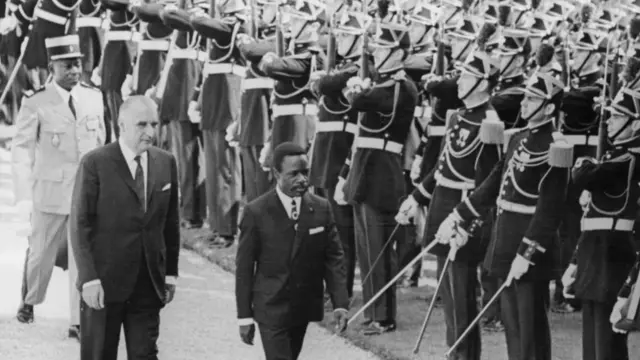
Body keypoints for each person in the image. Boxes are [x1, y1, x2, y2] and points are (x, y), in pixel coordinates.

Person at [439, 73, 573, 360]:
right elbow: (492, 184)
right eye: (525, 97)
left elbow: (549, 211)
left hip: (527, 249)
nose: (524, 104)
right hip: (504, 244)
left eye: (532, 99)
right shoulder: (519, 138)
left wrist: (527, 253)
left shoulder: (556, 147)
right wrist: (458, 215)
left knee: (530, 329)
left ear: (549, 108)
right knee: (513, 325)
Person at [397, 50, 504, 359]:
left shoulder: (490, 122)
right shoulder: (456, 116)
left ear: (483, 84)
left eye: (466, 77)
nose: (458, 83)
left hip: (463, 216)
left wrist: (467, 221)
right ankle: (454, 353)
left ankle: (465, 355)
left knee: (462, 296)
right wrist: (416, 197)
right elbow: (443, 167)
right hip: (443, 207)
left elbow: (489, 184)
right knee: (448, 293)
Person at [69, 95, 180, 360]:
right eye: (142, 125)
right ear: (121, 125)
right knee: (99, 354)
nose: (150, 132)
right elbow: (79, 224)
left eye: (154, 124)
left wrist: (171, 274)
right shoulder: (95, 163)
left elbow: (170, 223)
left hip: (147, 285)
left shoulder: (166, 162)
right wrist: (89, 279)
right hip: (104, 285)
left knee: (145, 354)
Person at [11, 34, 105, 339]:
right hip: (49, 193)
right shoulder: (36, 101)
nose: (75, 70)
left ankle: (79, 319)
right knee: (41, 255)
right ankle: (29, 301)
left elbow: (103, 144)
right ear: (53, 65)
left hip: (85, 194)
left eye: (78, 63)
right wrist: (24, 195)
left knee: (83, 257)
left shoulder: (93, 97)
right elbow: (22, 149)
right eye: (67, 65)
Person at [336, 8, 419, 335]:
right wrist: (346, 174)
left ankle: (384, 316)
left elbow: (359, 102)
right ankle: (372, 312)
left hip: (383, 173)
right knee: (367, 250)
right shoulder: (382, 85)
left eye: (383, 50)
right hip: (365, 169)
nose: (376, 54)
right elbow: (359, 129)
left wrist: (357, 88)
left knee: (379, 249)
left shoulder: (402, 87)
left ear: (399, 53)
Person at [235, 142, 349, 360]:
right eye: (294, 174)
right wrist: (244, 317)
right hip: (270, 307)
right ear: (277, 174)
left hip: (302, 307)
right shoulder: (256, 212)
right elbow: (244, 269)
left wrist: (340, 304)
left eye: (305, 172)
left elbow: (334, 259)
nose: (302, 180)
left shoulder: (321, 208)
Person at [562, 87, 640, 360]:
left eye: (617, 117)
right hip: (595, 256)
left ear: (636, 124)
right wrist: (575, 261)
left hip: (612, 259)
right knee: (592, 346)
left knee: (607, 348)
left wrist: (586, 163)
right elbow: (591, 218)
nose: (608, 122)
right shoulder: (614, 157)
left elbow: (584, 178)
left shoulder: (628, 159)